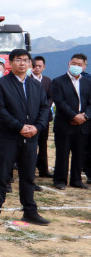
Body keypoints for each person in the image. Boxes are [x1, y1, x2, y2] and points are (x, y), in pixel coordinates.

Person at [0, 49, 51, 226]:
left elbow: (44, 108)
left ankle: (30, 211)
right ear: (10, 63)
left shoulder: (35, 85)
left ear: (29, 63)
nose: (22, 63)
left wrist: (37, 127)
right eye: (18, 60)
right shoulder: (1, 84)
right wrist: (19, 126)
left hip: (31, 137)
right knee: (2, 175)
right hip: (8, 137)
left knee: (28, 175)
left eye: (25, 60)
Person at [50, 54, 91, 190]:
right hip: (65, 124)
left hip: (83, 124)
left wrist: (85, 117)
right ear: (69, 64)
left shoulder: (88, 82)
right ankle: (60, 180)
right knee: (62, 153)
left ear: (84, 66)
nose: (76, 66)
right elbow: (60, 102)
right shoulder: (58, 81)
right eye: (74, 63)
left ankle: (76, 180)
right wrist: (73, 116)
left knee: (80, 153)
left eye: (80, 64)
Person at [31, 56, 53, 178]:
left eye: (40, 66)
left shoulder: (47, 80)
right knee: (31, 145)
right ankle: (30, 169)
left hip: (44, 117)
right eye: (35, 66)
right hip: (31, 118)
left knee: (43, 144)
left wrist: (45, 107)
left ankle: (43, 170)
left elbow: (51, 96)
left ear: (43, 67)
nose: (37, 68)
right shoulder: (27, 79)